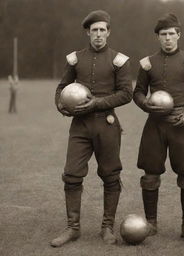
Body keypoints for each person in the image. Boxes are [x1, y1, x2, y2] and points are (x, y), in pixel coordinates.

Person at [50, 10, 133, 247]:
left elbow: (126, 94)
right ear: (88, 32)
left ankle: (107, 227)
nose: (98, 34)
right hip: (80, 126)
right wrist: (60, 104)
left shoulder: (119, 60)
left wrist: (97, 102)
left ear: (108, 32)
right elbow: (62, 87)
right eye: (94, 30)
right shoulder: (75, 59)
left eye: (102, 30)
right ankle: (73, 228)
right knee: (72, 174)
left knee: (110, 175)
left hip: (107, 125)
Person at [133, 12, 184, 246]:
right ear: (157, 37)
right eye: (163, 34)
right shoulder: (148, 63)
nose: (167, 38)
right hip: (155, 125)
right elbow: (137, 92)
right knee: (149, 175)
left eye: (171, 34)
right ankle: (151, 223)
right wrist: (146, 104)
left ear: (179, 35)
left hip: (181, 124)